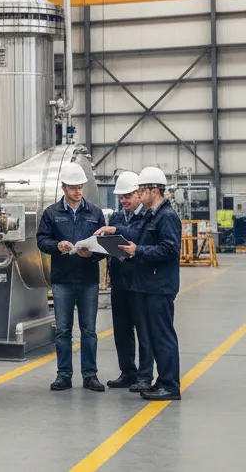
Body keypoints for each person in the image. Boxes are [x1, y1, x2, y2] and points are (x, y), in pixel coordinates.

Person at [96, 166, 182, 401]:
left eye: (142, 191)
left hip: (160, 285)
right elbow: (137, 233)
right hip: (149, 284)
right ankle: (161, 381)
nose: (139, 195)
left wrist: (138, 251)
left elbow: (170, 249)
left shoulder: (167, 216)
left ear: (154, 190)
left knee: (163, 336)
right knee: (155, 336)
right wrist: (116, 229)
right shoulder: (153, 215)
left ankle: (170, 385)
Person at [36, 162, 107, 392]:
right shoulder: (51, 214)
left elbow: (103, 246)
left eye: (81, 187)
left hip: (88, 279)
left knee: (89, 330)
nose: (78, 192)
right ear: (64, 188)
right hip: (62, 280)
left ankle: (90, 375)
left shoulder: (95, 213)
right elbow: (42, 240)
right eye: (73, 187)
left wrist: (91, 255)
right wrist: (58, 246)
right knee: (63, 330)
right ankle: (64, 375)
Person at [105, 172, 153, 392]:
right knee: (122, 330)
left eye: (128, 195)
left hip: (140, 282)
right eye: (121, 197)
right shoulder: (116, 217)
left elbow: (140, 237)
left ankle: (144, 376)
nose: (124, 200)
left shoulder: (148, 217)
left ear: (139, 193)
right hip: (119, 280)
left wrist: (116, 231)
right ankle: (128, 372)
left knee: (143, 331)